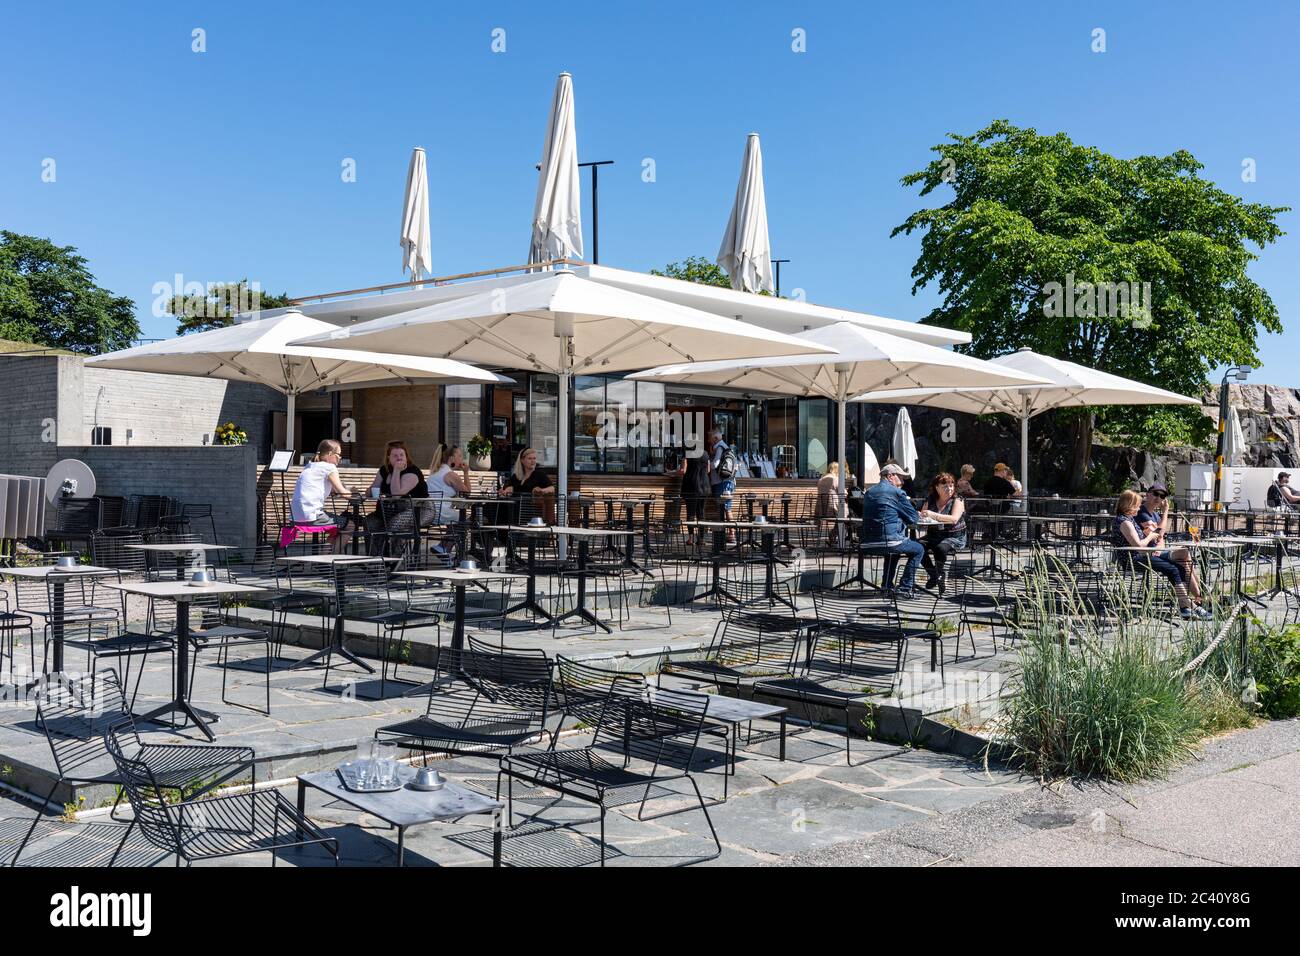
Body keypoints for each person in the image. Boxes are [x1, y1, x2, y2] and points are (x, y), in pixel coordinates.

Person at [1111, 489, 1209, 620]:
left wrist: (1148, 533)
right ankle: (1191, 605)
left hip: (1143, 556)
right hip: (1133, 559)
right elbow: (1139, 547)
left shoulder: (1129, 520)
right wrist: (1150, 536)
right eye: (1137, 504)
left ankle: (1186, 606)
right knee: (1173, 569)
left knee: (1178, 567)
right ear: (1129, 505)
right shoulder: (1125, 522)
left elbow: (1141, 540)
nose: (1139, 507)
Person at [862, 463, 924, 597]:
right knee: (919, 549)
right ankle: (905, 587)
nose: (902, 482)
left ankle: (887, 586)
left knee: (893, 551)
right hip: (888, 541)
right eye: (900, 478)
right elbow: (913, 519)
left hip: (866, 543)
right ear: (890, 476)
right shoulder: (897, 493)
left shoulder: (869, 493)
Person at [290, 439, 361, 551]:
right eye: (338, 454)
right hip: (312, 517)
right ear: (329, 454)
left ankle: (324, 557)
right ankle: (328, 561)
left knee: (336, 528)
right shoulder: (329, 468)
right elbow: (343, 492)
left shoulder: (310, 466)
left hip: (295, 518)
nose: (340, 458)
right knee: (350, 526)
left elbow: (330, 488)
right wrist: (355, 493)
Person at [365, 440, 431, 549]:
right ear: (388, 458)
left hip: (419, 509)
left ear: (406, 457)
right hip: (391, 509)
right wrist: (371, 491)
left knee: (395, 524)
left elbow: (396, 494)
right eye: (395, 456)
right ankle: (374, 559)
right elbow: (371, 490)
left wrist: (396, 470)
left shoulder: (412, 472)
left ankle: (393, 559)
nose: (399, 458)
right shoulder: (384, 470)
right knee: (370, 522)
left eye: (402, 455)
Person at [918, 472, 967, 594]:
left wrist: (933, 515)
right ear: (936, 487)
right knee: (916, 546)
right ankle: (934, 575)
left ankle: (940, 574)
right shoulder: (930, 499)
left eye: (951, 485)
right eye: (945, 486)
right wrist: (921, 515)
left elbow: (954, 519)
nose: (949, 488)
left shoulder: (958, 500)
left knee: (940, 548)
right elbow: (923, 514)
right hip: (934, 534)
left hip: (954, 536)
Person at [499, 447, 556, 524]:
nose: (533, 461)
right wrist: (505, 491)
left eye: (534, 458)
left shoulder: (539, 474)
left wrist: (541, 491)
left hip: (532, 515)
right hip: (515, 514)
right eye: (530, 459)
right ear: (522, 460)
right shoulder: (516, 476)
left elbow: (552, 488)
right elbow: (510, 488)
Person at [670, 445, 711, 543]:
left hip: (691, 487)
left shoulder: (688, 454)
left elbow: (683, 470)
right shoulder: (705, 454)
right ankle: (701, 539)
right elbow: (708, 470)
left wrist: (672, 472)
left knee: (691, 513)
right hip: (704, 486)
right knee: (701, 513)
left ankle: (691, 539)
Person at [707, 429, 736, 542]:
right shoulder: (724, 447)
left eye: (710, 440)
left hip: (722, 482)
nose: (709, 442)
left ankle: (731, 534)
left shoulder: (720, 447)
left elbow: (716, 464)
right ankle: (725, 533)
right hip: (724, 482)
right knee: (724, 508)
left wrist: (705, 466)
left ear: (715, 439)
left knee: (726, 508)